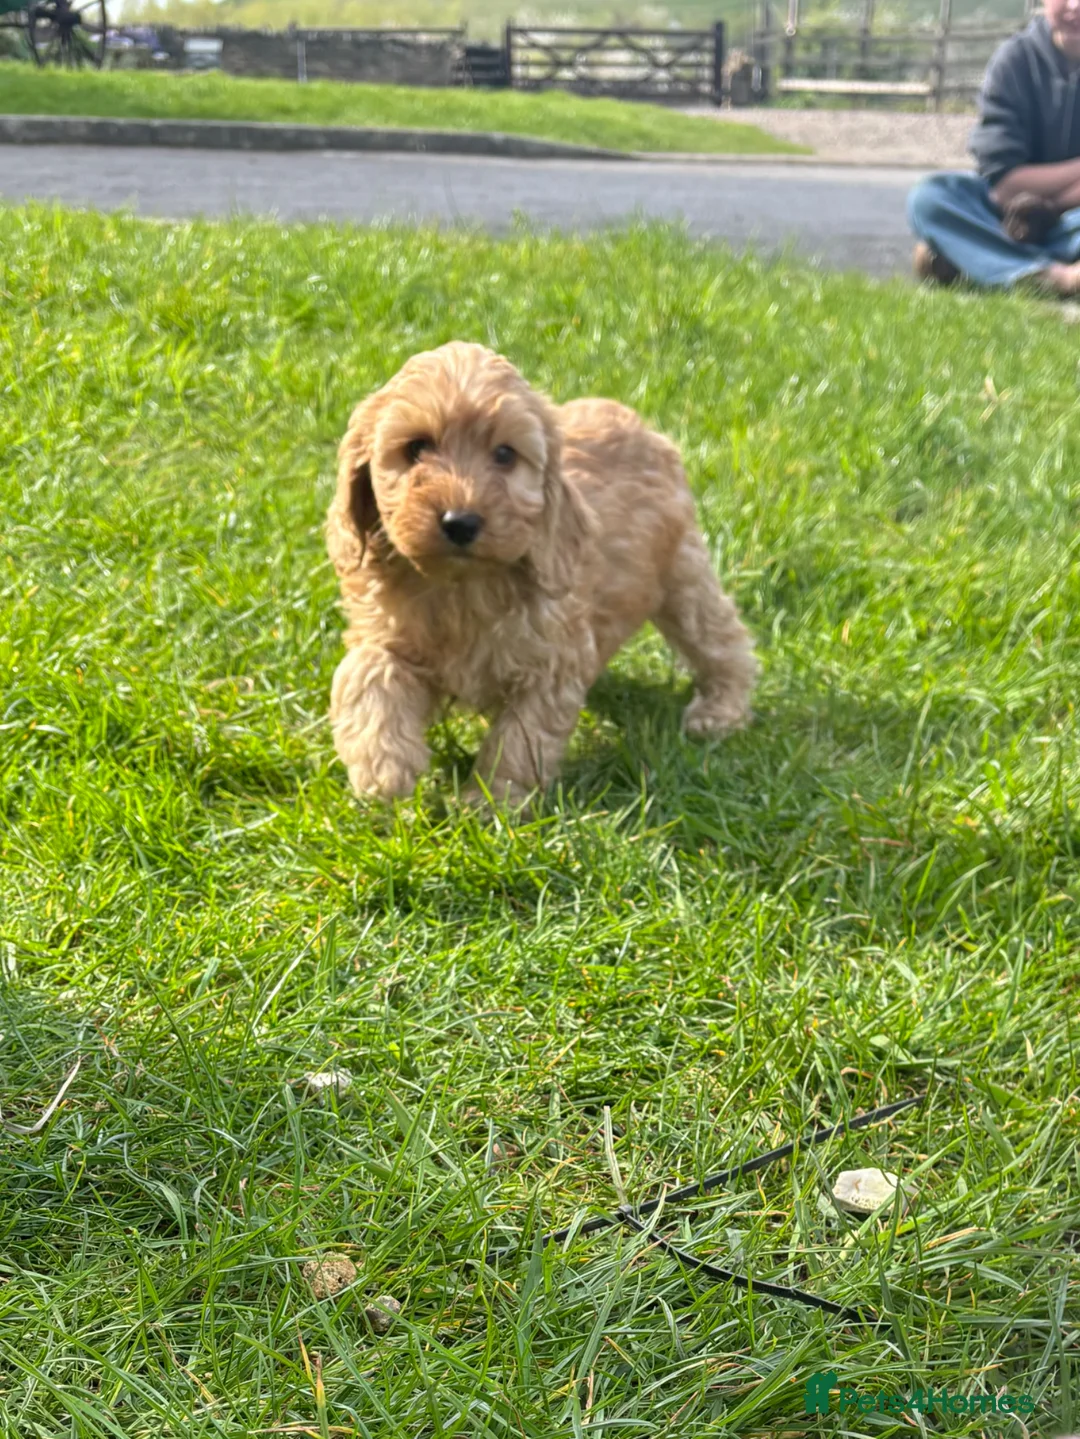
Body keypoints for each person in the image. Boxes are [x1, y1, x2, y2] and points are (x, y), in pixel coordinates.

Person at [907, 0, 1080, 292]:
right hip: (1010, 218)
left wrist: (1055, 202)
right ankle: (1052, 276)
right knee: (930, 198)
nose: (1075, 6)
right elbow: (1006, 184)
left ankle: (971, 259)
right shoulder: (1015, 59)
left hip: (1073, 219)